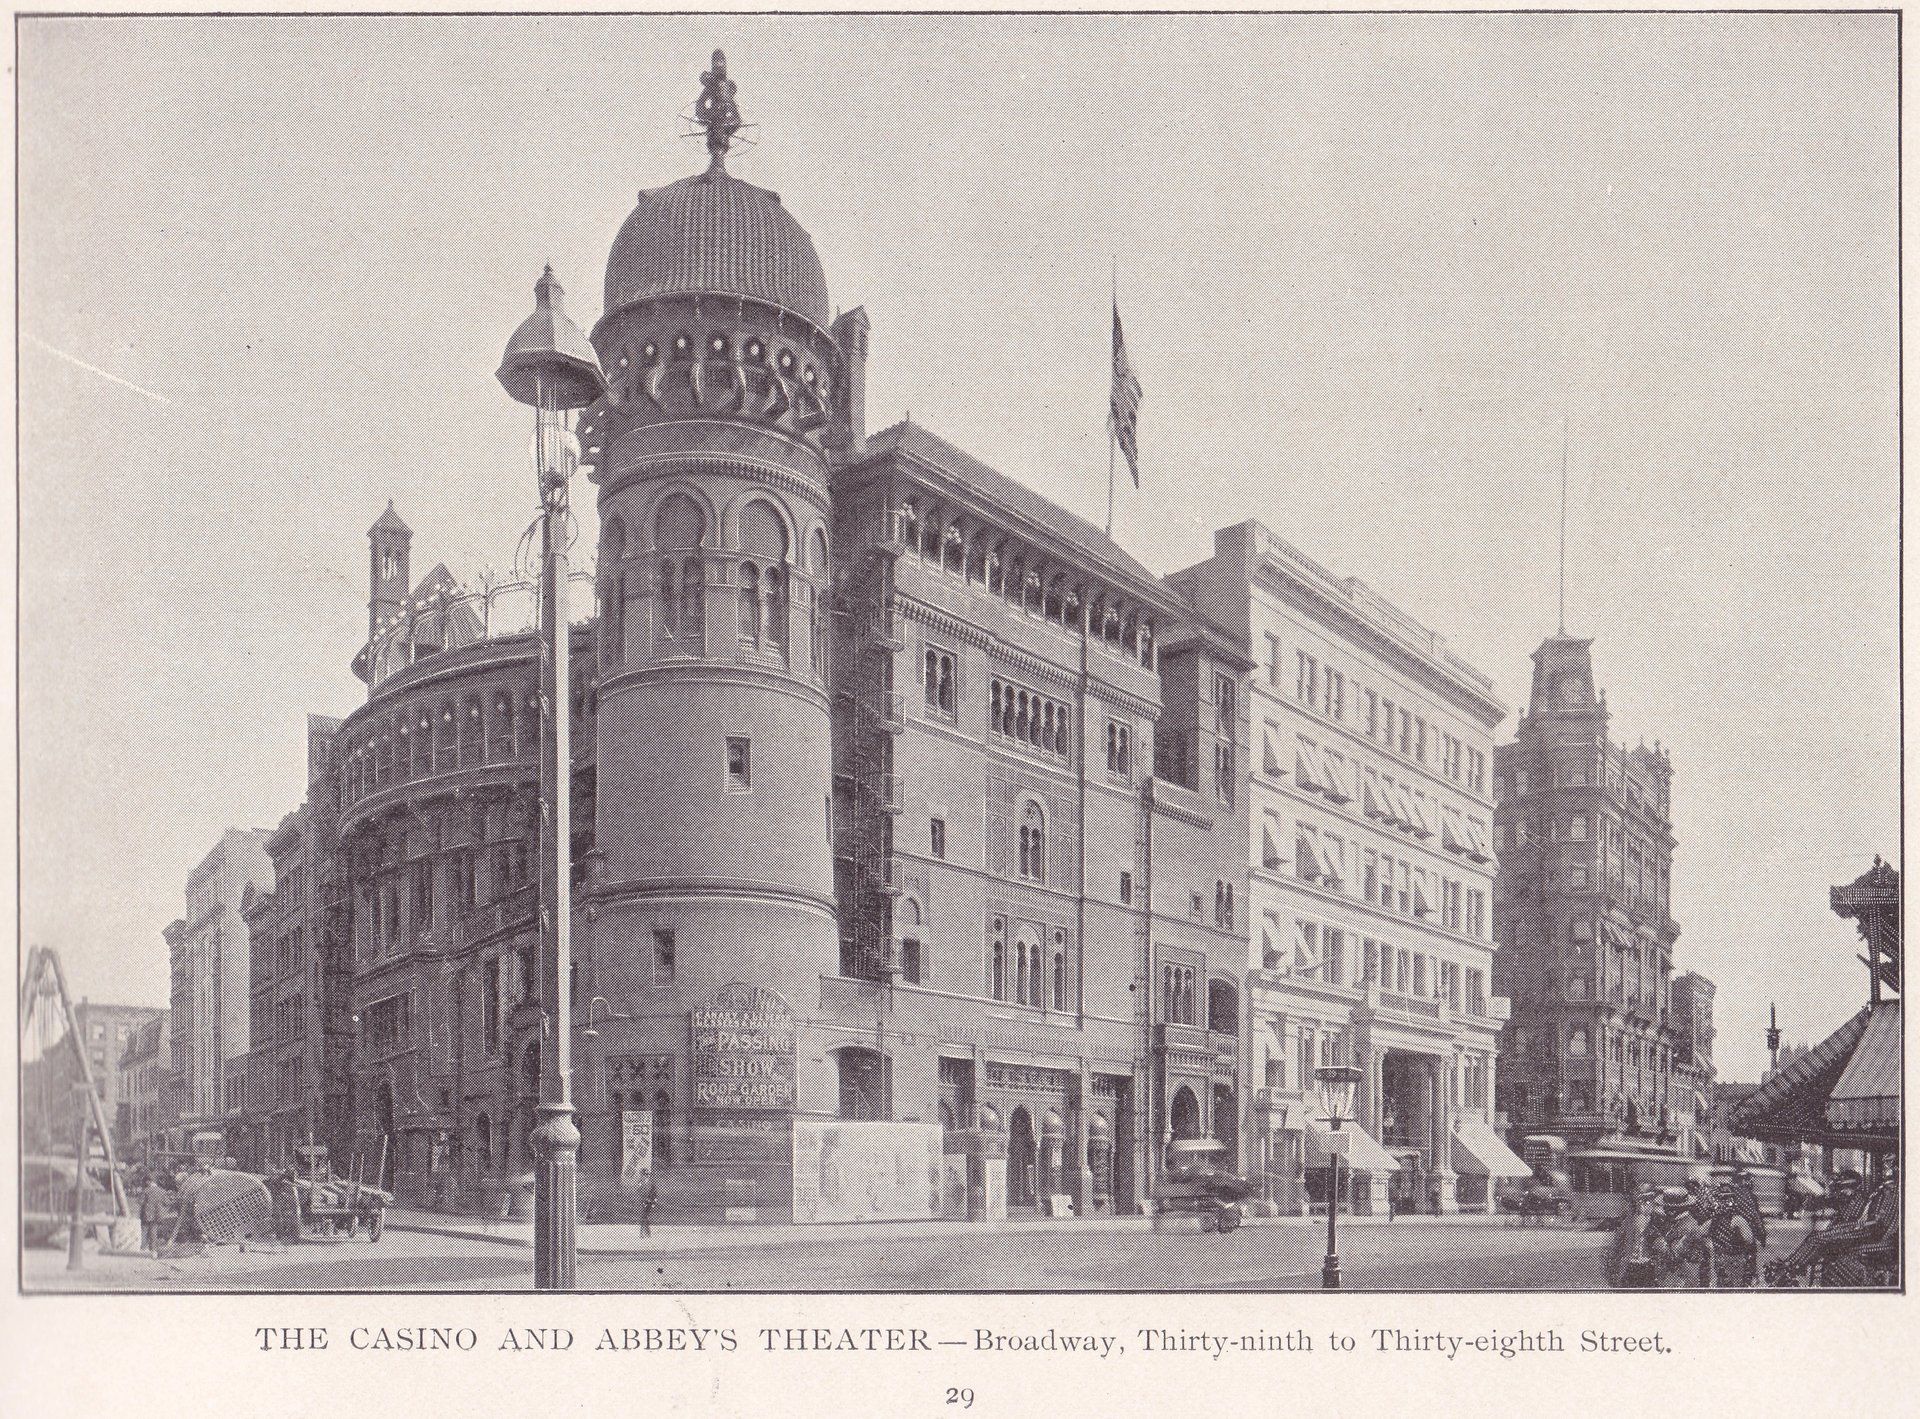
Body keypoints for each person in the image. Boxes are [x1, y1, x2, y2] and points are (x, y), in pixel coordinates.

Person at [140, 1171, 171, 1255]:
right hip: (157, 1215)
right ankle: (153, 1250)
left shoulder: (146, 1191)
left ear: (149, 1181)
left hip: (146, 1215)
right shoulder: (162, 1191)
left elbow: (141, 1202)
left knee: (144, 1231)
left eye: (146, 1181)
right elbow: (167, 1203)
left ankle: (143, 1249)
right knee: (154, 1232)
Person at [640, 1172, 658, 1237]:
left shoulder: (651, 1184)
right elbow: (639, 1192)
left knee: (644, 1217)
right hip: (643, 1202)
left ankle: (642, 1233)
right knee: (645, 1217)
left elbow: (655, 1194)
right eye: (644, 1175)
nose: (645, 1176)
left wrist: (654, 1203)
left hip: (649, 1203)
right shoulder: (641, 1183)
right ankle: (647, 1233)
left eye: (646, 1175)